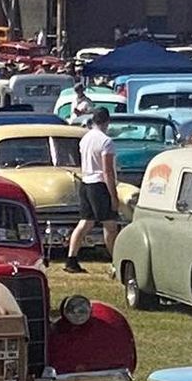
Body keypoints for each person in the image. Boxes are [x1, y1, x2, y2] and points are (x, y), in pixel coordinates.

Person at [65, 110, 119, 272]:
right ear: (107, 122)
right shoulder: (106, 142)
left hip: (86, 182)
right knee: (110, 225)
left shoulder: (85, 138)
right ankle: (116, 260)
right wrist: (113, 196)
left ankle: (71, 258)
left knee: (85, 222)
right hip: (99, 185)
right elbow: (107, 171)